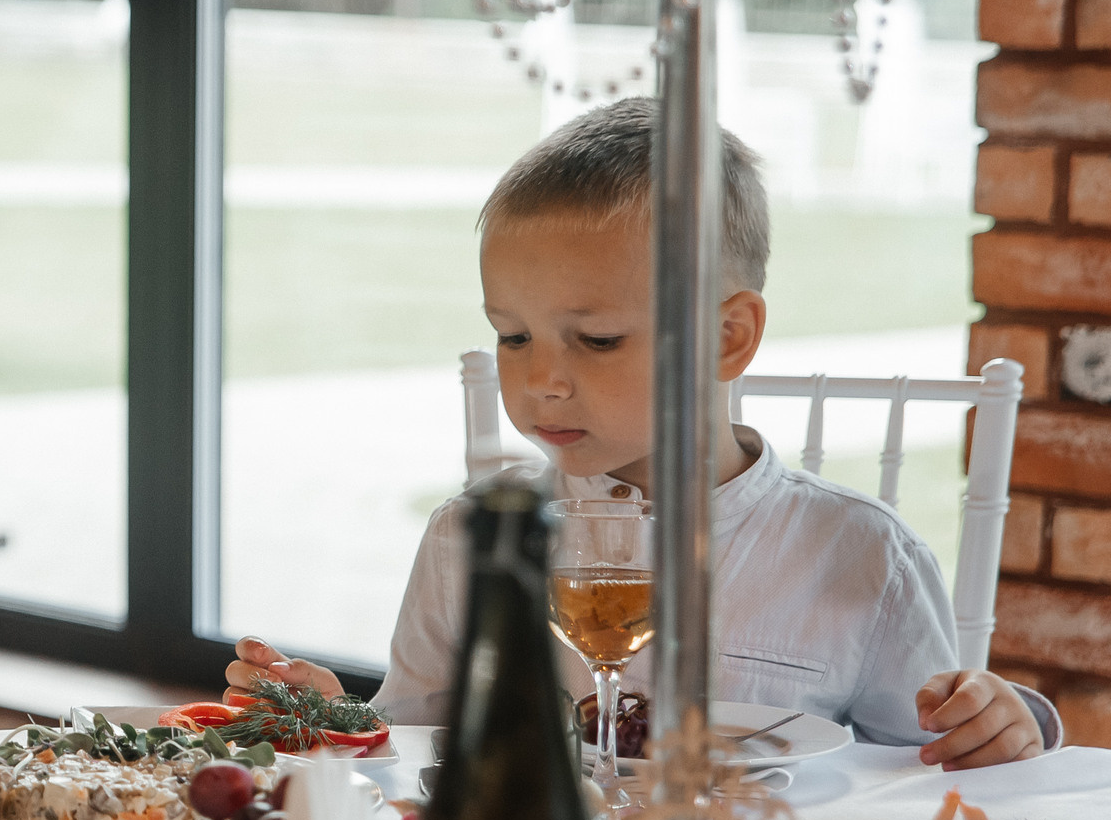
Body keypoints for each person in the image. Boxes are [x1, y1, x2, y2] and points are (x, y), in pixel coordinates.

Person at [234, 98, 1056, 770]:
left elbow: (936, 771)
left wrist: (1007, 725)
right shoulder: (470, 540)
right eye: (514, 335)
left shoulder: (860, 557)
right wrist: (330, 715)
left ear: (727, 338)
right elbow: (409, 743)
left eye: (595, 340)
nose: (540, 379)